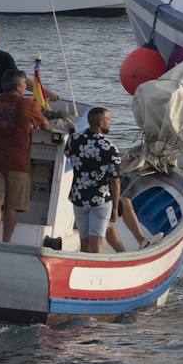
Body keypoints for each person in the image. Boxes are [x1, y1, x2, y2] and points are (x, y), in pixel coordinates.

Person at [0, 69, 52, 243]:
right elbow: (46, 127)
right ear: (20, 86)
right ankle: (6, 240)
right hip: (18, 162)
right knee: (13, 205)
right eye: (24, 85)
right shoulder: (29, 104)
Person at [64, 106, 124, 254]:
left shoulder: (75, 140)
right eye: (109, 120)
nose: (111, 122)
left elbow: (67, 151)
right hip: (100, 200)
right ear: (101, 124)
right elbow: (115, 181)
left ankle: (83, 269)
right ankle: (95, 274)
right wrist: (115, 208)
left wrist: (72, 131)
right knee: (96, 245)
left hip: (78, 198)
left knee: (84, 244)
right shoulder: (110, 149)